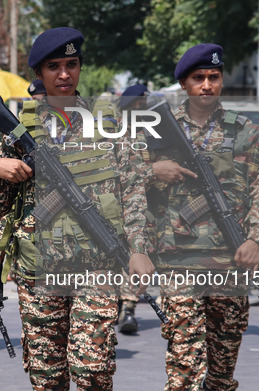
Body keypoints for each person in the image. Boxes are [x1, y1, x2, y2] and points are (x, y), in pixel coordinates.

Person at [0, 27, 154, 390]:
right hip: (38, 269)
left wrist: (138, 249)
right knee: (47, 377)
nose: (64, 75)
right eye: (54, 67)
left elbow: (134, 190)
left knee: (93, 372)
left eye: (71, 65)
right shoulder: (16, 126)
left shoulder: (112, 121)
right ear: (39, 74)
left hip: (98, 264)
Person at [137, 43, 259, 390]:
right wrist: (154, 169)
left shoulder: (245, 131)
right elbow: (123, 182)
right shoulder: (156, 128)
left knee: (221, 370)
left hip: (231, 261)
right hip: (178, 261)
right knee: (184, 365)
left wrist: (255, 239)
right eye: (198, 77)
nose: (207, 84)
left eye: (214, 76)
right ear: (184, 83)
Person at [116, 83, 149, 335]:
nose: (143, 106)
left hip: (143, 206)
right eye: (140, 103)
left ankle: (128, 307)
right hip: (116, 206)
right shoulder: (118, 131)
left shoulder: (147, 131)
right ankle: (122, 305)